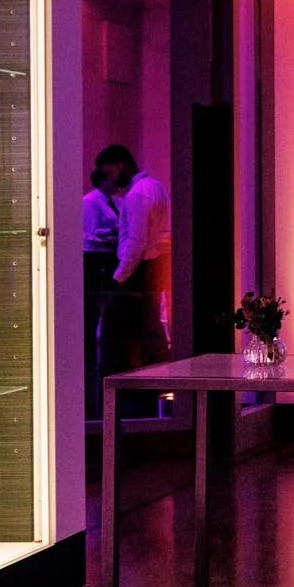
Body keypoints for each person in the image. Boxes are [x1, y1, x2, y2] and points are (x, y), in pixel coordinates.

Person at [98, 143, 173, 370]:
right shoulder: (156, 187)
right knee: (150, 323)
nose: (110, 179)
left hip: (139, 269)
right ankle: (157, 372)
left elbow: (136, 240)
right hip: (156, 263)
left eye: (110, 172)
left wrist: (120, 276)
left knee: (128, 330)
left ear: (120, 165)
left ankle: (130, 379)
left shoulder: (137, 194)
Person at [82, 166, 122, 417]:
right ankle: (91, 360)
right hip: (96, 259)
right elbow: (87, 234)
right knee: (94, 309)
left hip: (110, 258)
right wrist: (110, 235)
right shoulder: (89, 202)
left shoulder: (117, 201)